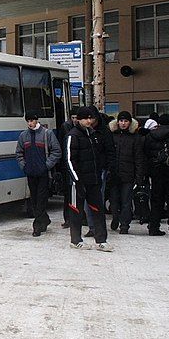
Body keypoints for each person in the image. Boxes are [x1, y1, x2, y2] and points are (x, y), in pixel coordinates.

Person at [65, 106, 112, 251]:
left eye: (90, 118)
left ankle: (101, 240)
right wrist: (77, 180)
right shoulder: (73, 135)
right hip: (78, 181)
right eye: (86, 118)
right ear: (79, 119)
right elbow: (69, 160)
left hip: (93, 179)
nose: (89, 121)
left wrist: (98, 174)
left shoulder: (93, 134)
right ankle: (75, 239)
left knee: (98, 210)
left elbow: (97, 157)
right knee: (76, 210)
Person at [16, 111, 62, 237]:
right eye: (28, 121)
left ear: (37, 120)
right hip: (30, 172)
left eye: (32, 120)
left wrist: (46, 165)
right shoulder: (23, 136)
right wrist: (24, 166)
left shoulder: (47, 134)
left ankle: (37, 226)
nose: (30, 123)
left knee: (41, 199)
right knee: (34, 199)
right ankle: (44, 219)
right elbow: (19, 153)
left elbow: (57, 151)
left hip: (43, 173)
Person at [109, 111, 144, 234]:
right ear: (117, 122)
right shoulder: (112, 136)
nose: (123, 123)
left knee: (126, 201)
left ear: (130, 123)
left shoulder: (135, 138)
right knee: (113, 201)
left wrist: (139, 177)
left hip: (128, 175)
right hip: (113, 175)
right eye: (121, 121)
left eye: (126, 121)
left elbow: (139, 159)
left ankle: (124, 225)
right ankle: (115, 218)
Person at [83, 109, 117, 237]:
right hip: (86, 170)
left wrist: (110, 168)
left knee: (97, 199)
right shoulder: (82, 132)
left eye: (92, 119)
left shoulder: (104, 132)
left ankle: (98, 227)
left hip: (100, 169)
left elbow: (110, 152)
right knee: (87, 201)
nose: (90, 121)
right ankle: (92, 227)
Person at [57, 111, 78, 228]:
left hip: (75, 165)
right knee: (68, 194)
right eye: (73, 117)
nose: (75, 119)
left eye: (76, 117)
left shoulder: (79, 129)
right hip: (67, 166)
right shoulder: (66, 127)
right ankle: (68, 219)